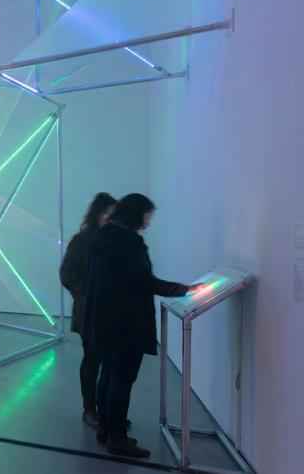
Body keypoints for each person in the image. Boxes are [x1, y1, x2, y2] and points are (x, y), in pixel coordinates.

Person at [83, 193, 204, 459]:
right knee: (121, 380)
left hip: (103, 321)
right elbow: (143, 281)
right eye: (147, 215)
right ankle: (117, 439)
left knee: (108, 375)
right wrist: (183, 290)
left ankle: (106, 429)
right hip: (125, 324)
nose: (149, 221)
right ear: (136, 214)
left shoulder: (102, 236)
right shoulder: (129, 242)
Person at [60, 192, 117, 428]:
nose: (111, 219)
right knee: (92, 361)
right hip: (89, 312)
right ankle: (89, 409)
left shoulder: (114, 241)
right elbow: (66, 274)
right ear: (98, 214)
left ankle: (106, 410)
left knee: (110, 364)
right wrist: (85, 294)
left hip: (111, 313)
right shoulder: (81, 240)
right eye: (108, 214)